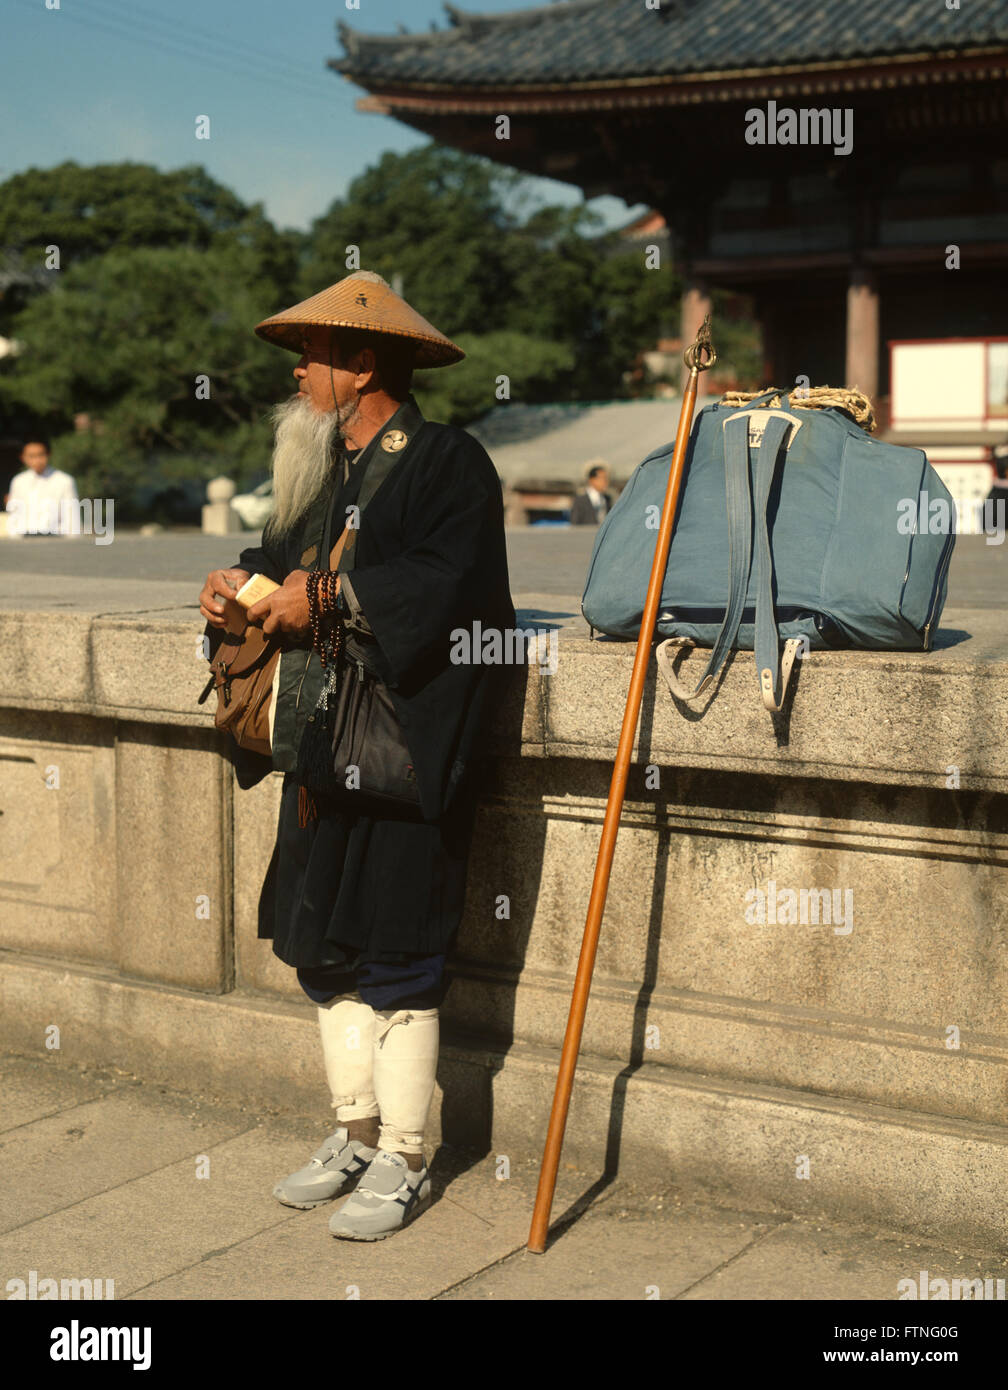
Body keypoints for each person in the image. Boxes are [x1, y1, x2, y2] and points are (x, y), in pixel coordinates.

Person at [199, 270, 515, 1240]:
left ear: (364, 362)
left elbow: (449, 588)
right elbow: (275, 567)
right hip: (318, 751)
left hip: (405, 755)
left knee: (403, 957)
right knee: (320, 945)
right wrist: (237, 592)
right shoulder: (314, 472)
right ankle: (355, 1128)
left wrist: (327, 600)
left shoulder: (449, 463)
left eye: (313, 356)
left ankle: (410, 1154)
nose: (298, 372)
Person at [4, 437, 79, 537]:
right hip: (26, 539)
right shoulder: (18, 481)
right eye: (31, 456)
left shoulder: (64, 481)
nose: (37, 460)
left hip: (56, 539)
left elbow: (72, 517)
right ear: (23, 457)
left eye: (40, 455)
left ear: (48, 455)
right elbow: (14, 515)